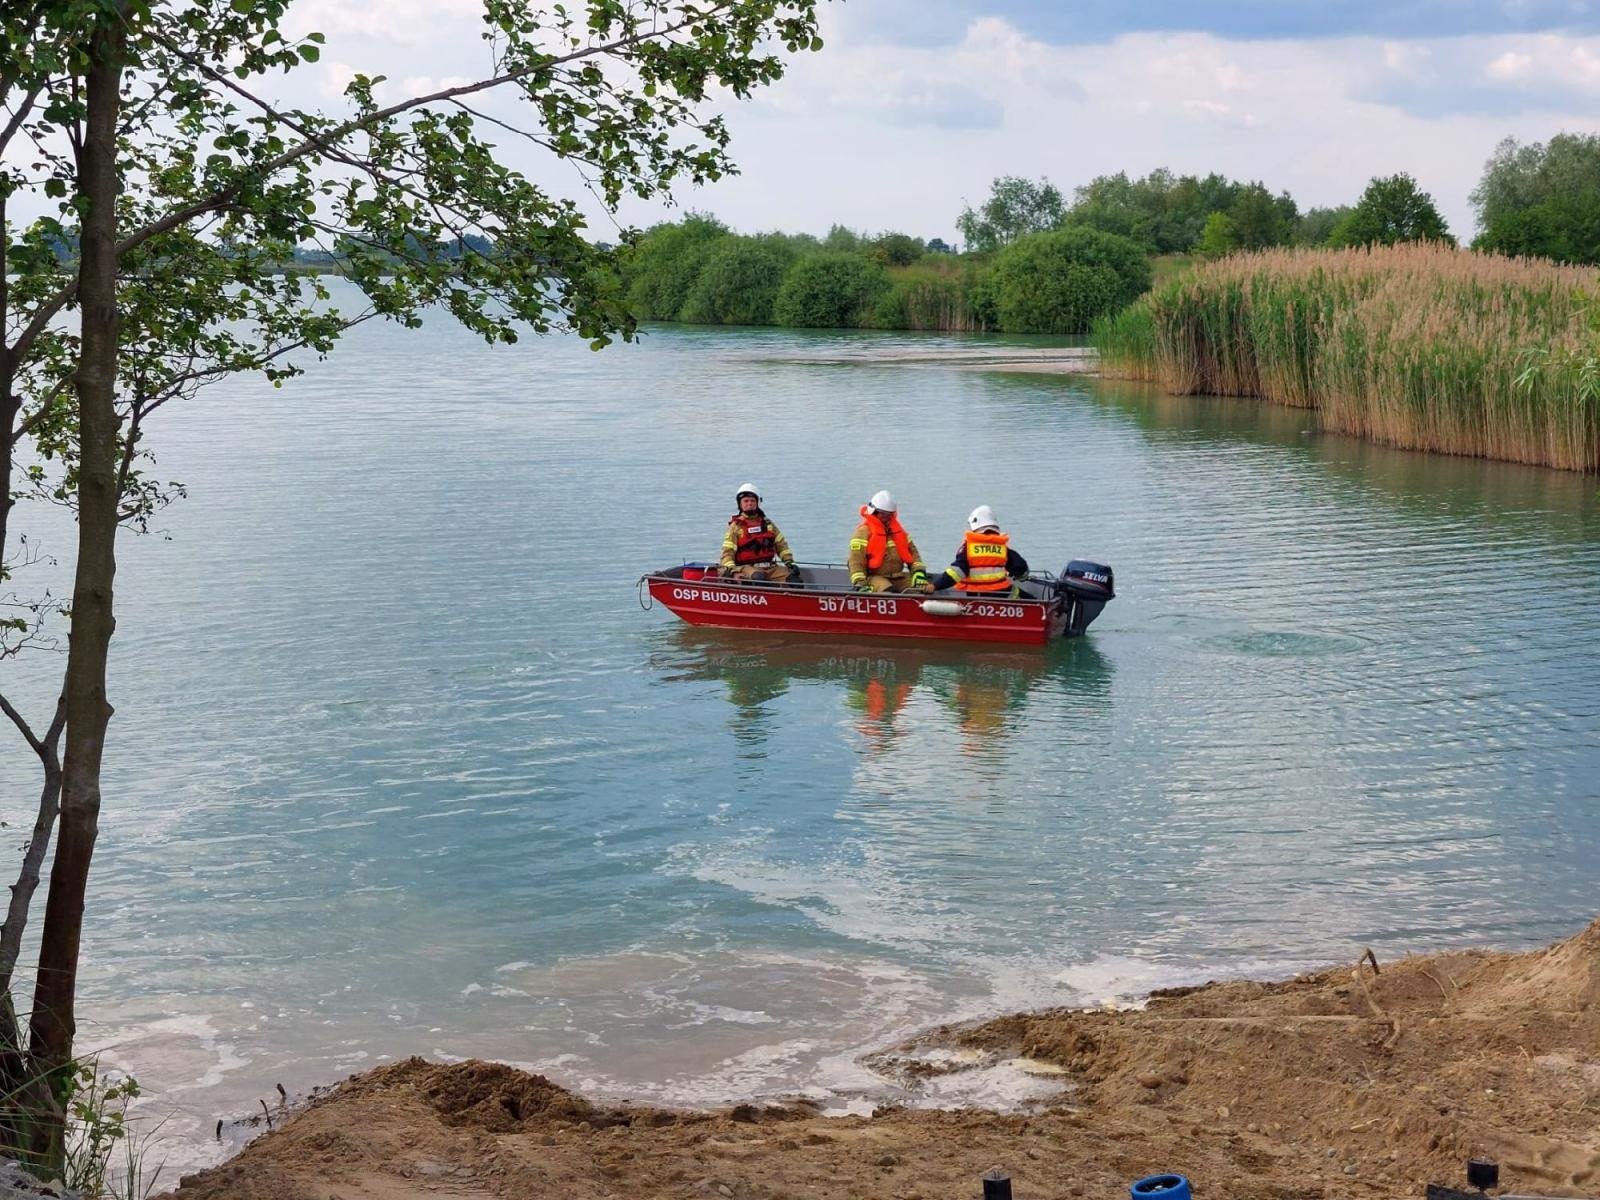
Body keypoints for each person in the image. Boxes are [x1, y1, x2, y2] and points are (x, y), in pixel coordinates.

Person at [931, 505, 1029, 596]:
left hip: (976, 596)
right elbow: (1020, 567)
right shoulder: (1001, 548)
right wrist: (1022, 577)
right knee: (1025, 597)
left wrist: (935, 586)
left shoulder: (968, 549)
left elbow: (956, 572)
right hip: (1001, 594)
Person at [848, 490, 932, 593]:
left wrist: (918, 573)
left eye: (889, 515)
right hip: (874, 577)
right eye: (882, 514)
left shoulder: (900, 533)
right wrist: (860, 583)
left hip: (898, 576)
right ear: (873, 511)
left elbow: (914, 554)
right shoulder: (862, 533)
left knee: (923, 589)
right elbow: (855, 561)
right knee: (887, 591)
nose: (886, 518)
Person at [720, 483, 799, 584]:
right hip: (747, 568)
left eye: (752, 501)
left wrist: (790, 563)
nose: (749, 503)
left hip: (771, 567)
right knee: (759, 578)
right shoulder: (736, 527)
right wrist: (733, 571)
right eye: (746, 501)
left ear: (758, 502)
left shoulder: (768, 524)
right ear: (740, 504)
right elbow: (727, 552)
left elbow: (781, 545)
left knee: (794, 580)